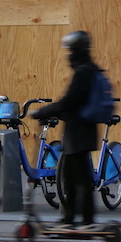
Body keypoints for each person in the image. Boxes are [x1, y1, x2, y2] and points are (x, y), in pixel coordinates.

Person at [31, 30, 99, 229]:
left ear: (75, 50)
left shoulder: (84, 72)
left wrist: (42, 112)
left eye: (70, 49)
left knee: (80, 179)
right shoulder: (88, 69)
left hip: (79, 132)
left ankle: (85, 220)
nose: (68, 54)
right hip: (79, 131)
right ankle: (70, 218)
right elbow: (72, 102)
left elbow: (69, 101)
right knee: (70, 178)